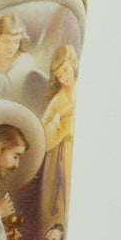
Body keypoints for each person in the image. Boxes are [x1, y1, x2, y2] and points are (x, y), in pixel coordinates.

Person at [40, 44, 78, 224]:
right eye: (59, 75)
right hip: (63, 154)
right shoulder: (57, 101)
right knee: (59, 202)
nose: (64, 78)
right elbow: (43, 131)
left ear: (72, 64)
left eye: (65, 70)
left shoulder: (79, 90)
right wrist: (59, 116)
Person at [0, 13, 43, 105]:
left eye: (16, 42)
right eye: (6, 41)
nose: (11, 47)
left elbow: (8, 92)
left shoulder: (25, 61)